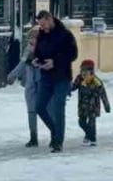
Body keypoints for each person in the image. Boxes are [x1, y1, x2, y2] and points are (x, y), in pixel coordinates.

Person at [32, 10, 78, 152]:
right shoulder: (41, 35)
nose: (43, 27)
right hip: (45, 76)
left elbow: (73, 54)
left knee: (59, 109)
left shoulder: (65, 35)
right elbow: (39, 52)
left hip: (61, 76)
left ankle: (58, 142)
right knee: (39, 107)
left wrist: (55, 62)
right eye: (40, 25)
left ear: (50, 19)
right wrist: (36, 60)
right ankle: (55, 131)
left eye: (44, 24)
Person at [7, 26, 43, 147]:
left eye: (34, 38)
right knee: (31, 111)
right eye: (30, 38)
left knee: (46, 111)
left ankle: (56, 135)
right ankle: (33, 137)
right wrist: (13, 74)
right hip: (30, 85)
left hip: (42, 84)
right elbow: (22, 63)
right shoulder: (27, 50)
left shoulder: (45, 50)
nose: (31, 41)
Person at [72, 59, 111, 146]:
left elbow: (103, 94)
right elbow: (73, 87)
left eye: (86, 69)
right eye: (82, 69)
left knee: (92, 123)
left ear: (91, 70)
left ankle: (92, 139)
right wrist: (66, 89)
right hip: (82, 106)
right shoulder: (79, 78)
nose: (84, 72)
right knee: (81, 122)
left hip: (93, 106)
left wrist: (106, 105)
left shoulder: (96, 81)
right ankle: (89, 135)